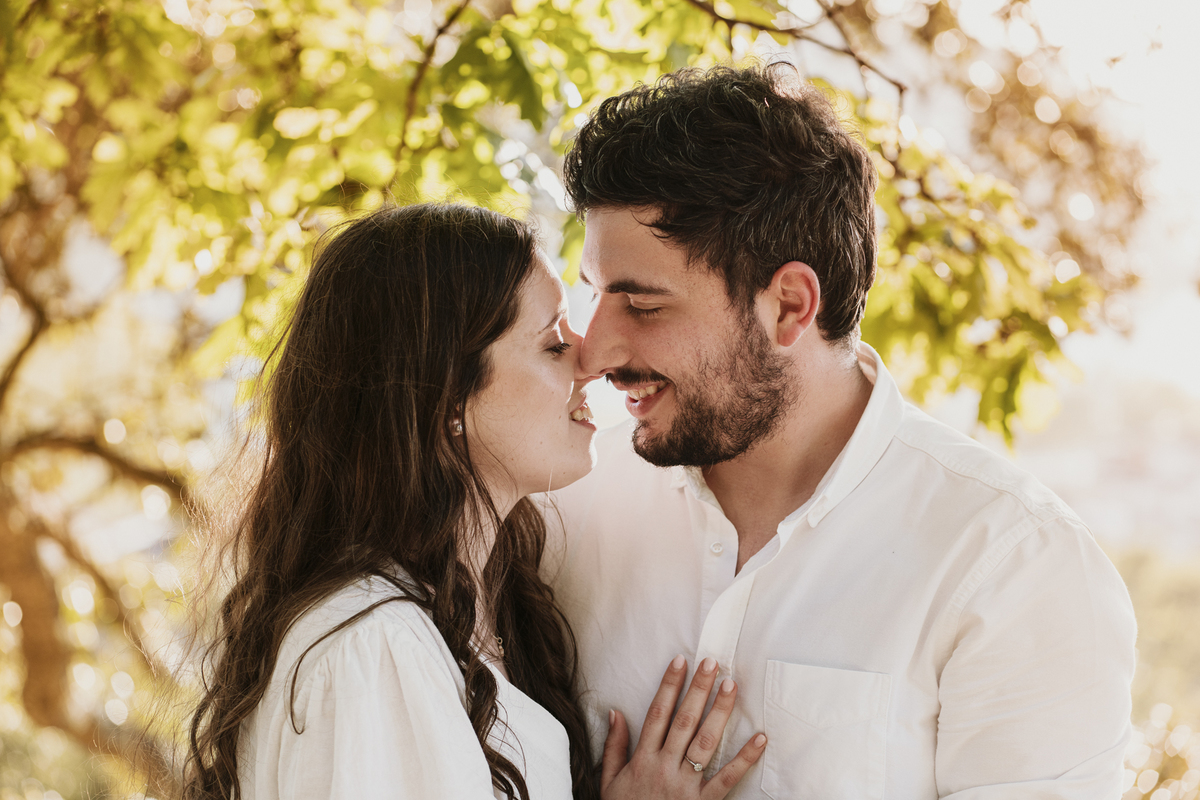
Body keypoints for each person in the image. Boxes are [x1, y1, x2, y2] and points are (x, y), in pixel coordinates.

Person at [541, 63, 1138, 799]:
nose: (593, 354)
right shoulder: (561, 504)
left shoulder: (1011, 567)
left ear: (791, 305)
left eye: (642, 305)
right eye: (594, 293)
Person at [180, 204, 767, 800]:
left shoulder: (482, 607)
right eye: (551, 344)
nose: (591, 361)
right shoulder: (378, 647)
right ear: (449, 397)